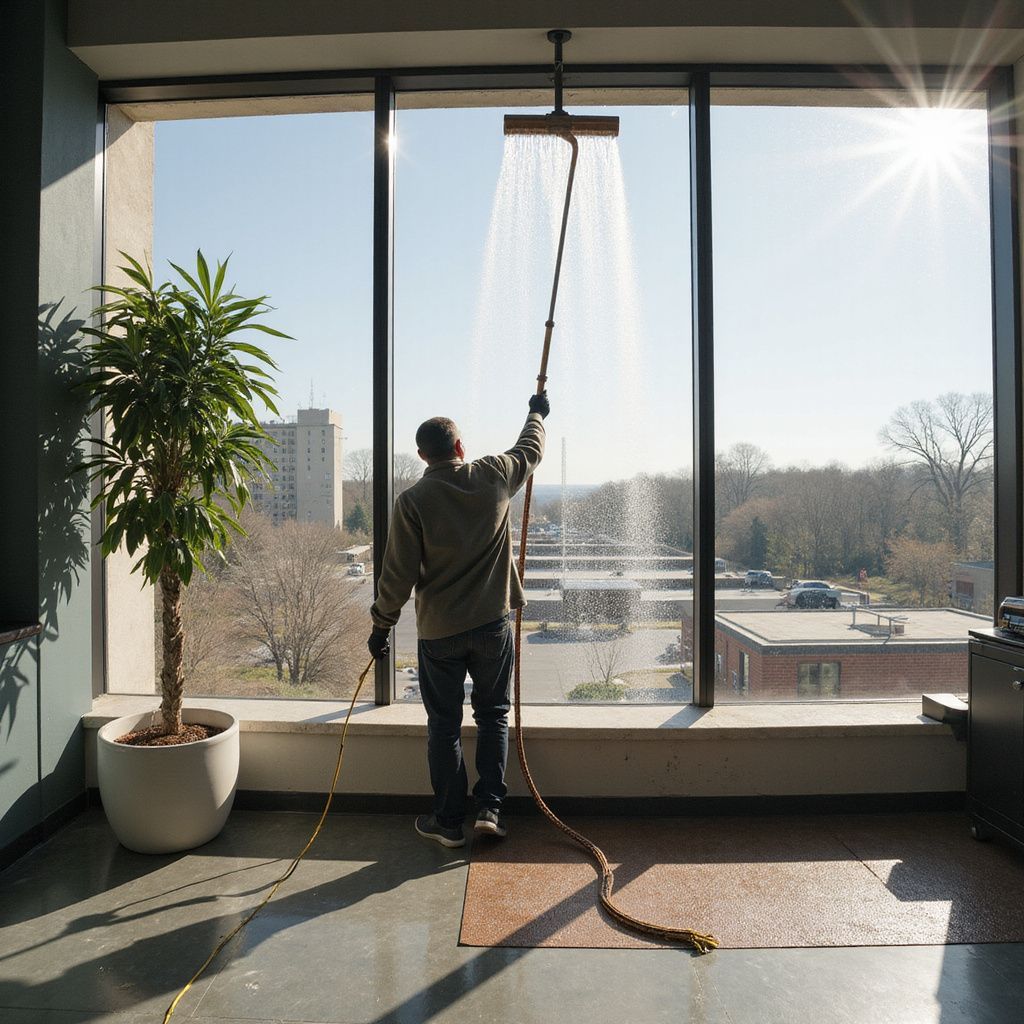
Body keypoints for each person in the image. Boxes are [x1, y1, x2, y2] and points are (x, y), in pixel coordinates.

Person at [367, 393, 548, 848]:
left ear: (423, 455)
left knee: (443, 726)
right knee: (493, 716)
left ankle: (448, 822)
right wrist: (536, 413)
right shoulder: (492, 476)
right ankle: (490, 809)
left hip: (440, 633)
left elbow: (398, 573)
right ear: (460, 447)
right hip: (491, 626)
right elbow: (530, 449)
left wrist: (381, 625)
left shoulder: (413, 501)